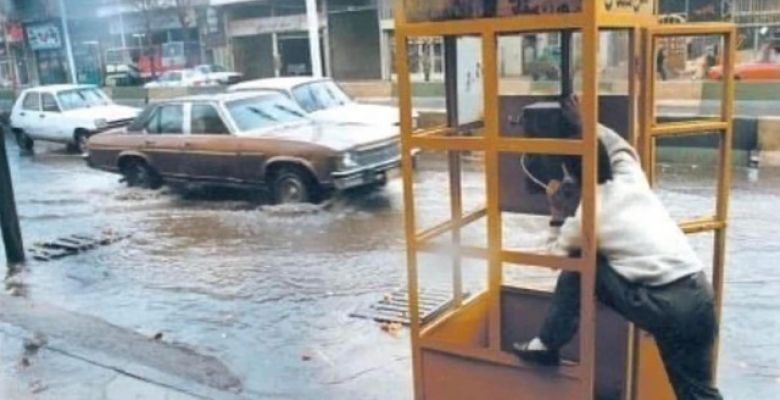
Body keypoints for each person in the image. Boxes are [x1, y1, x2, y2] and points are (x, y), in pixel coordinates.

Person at [513, 96, 723, 400]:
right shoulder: (629, 175)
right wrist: (585, 124)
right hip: (698, 294)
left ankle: (545, 345)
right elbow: (618, 146)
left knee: (582, 266)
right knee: (697, 390)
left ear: (573, 175)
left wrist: (557, 213)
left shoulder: (587, 220)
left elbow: (555, 261)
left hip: (663, 306)